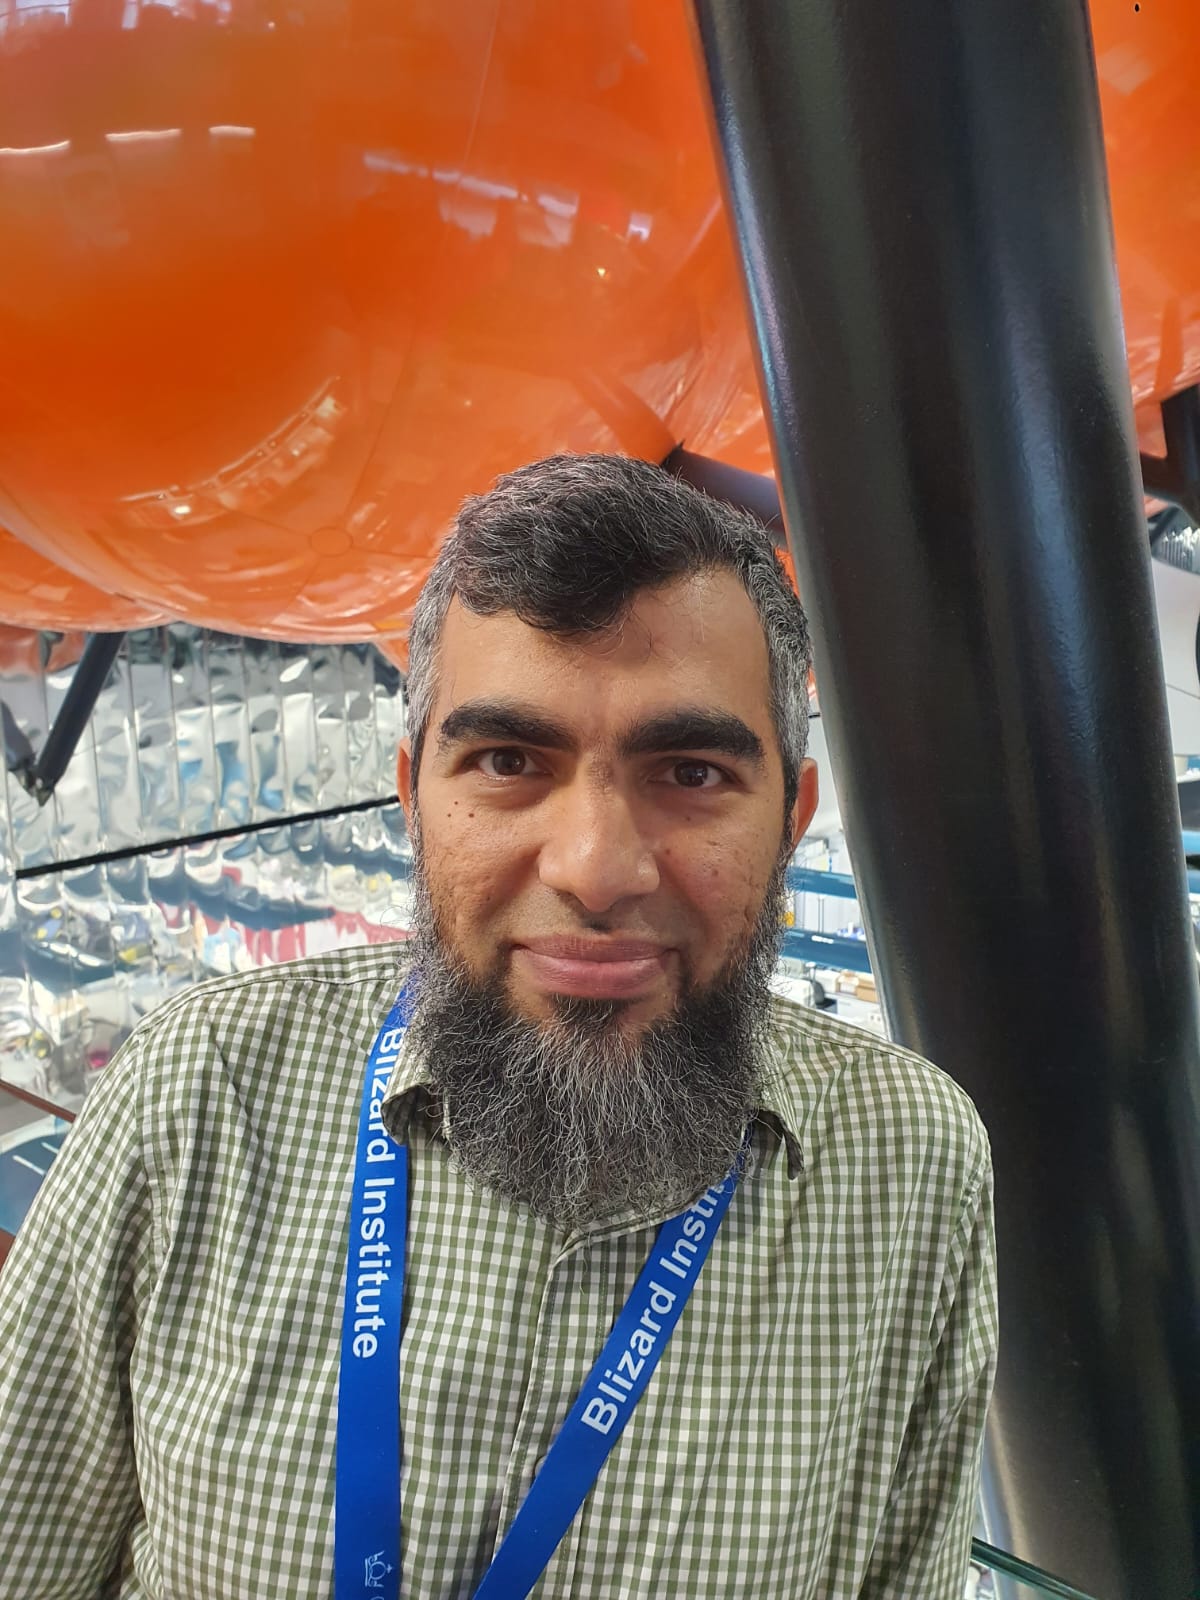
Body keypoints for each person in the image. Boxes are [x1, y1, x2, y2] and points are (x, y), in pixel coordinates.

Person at [0, 453, 997, 1599]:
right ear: (412, 795)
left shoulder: (912, 1165)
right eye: (510, 761)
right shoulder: (201, 1090)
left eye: (689, 771)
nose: (596, 869)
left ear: (792, 818)